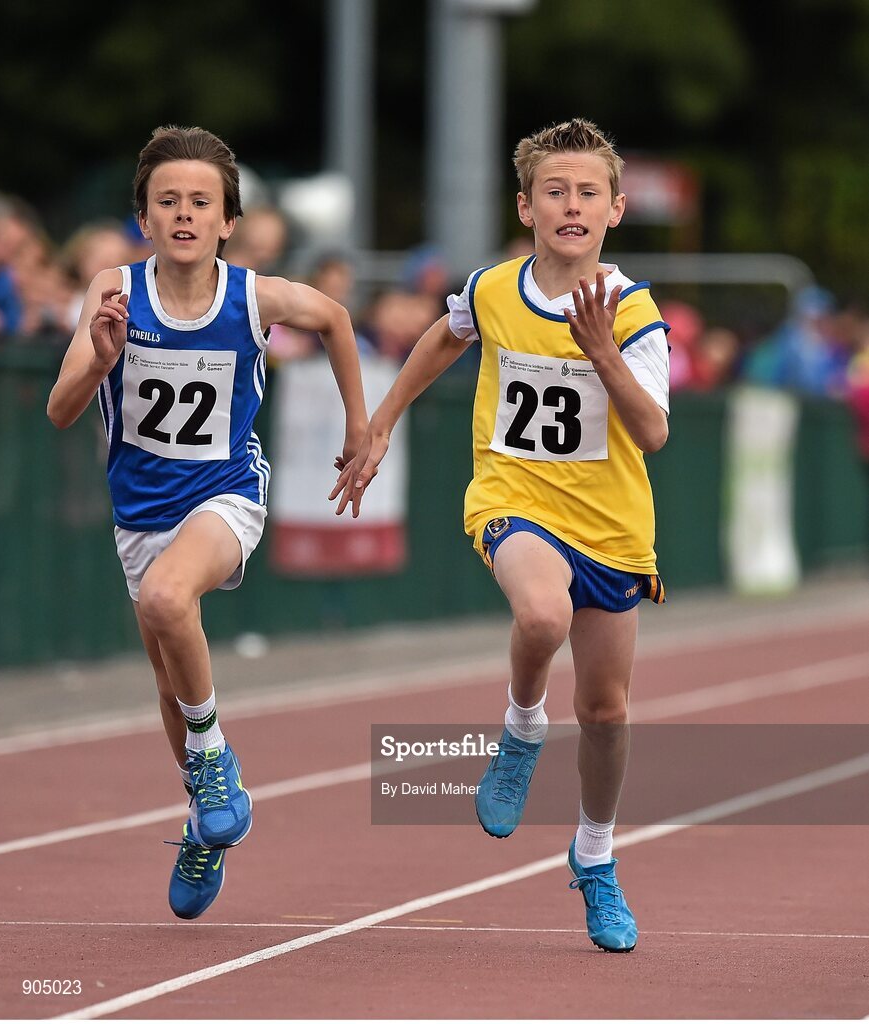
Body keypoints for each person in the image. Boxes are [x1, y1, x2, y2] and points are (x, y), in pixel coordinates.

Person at [331, 119, 670, 953]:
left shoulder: (630, 308)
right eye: (554, 190)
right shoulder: (490, 289)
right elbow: (442, 338)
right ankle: (521, 727)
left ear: (615, 209)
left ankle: (594, 859)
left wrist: (602, 351)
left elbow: (652, 431)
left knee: (605, 711)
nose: (571, 204)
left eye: (588, 191)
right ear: (526, 207)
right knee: (540, 617)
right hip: (512, 501)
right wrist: (379, 423)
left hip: (611, 527)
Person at [47, 126, 367, 920]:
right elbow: (60, 411)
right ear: (143, 219)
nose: (184, 214)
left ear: (228, 220)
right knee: (167, 678)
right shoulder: (113, 291)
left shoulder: (252, 297)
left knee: (165, 602)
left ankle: (214, 759)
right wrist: (97, 355)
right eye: (167, 202)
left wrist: (361, 426)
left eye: (201, 202)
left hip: (226, 492)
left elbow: (332, 318)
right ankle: (203, 815)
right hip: (140, 509)